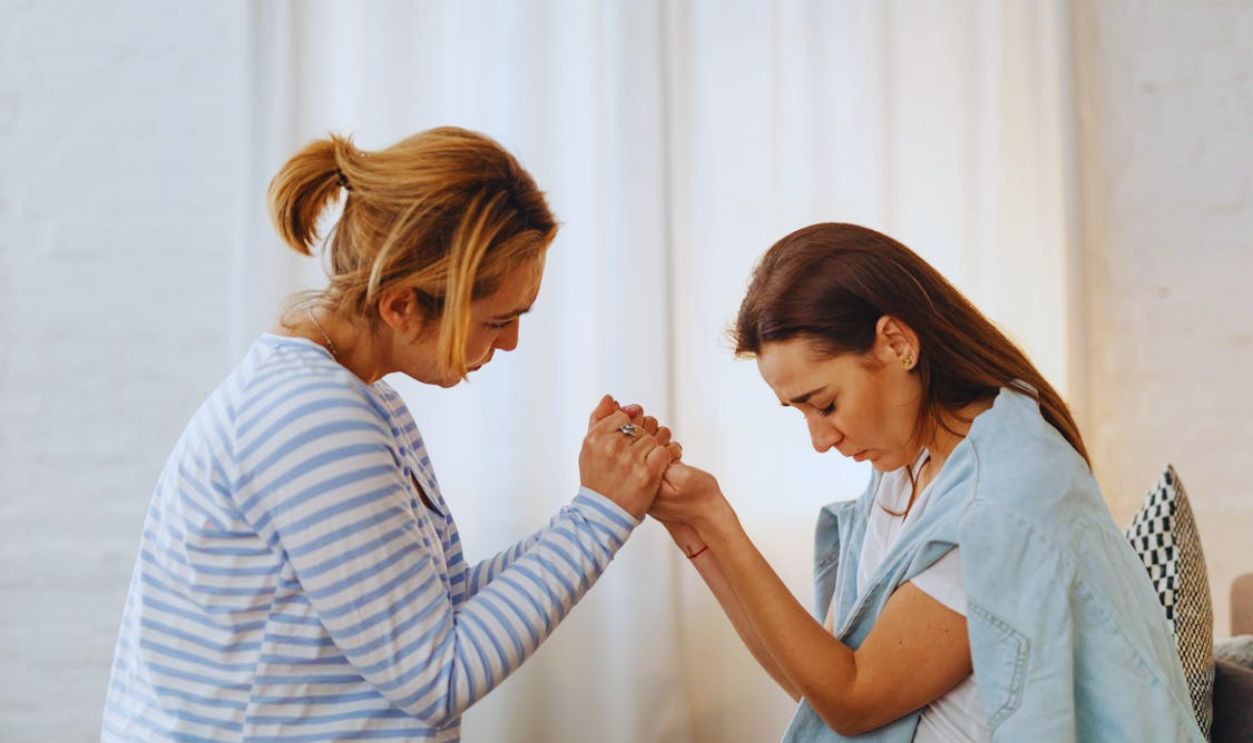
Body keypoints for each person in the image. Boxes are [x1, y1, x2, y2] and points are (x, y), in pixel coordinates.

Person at [101, 127, 681, 742]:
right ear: (402, 306)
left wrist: (602, 500)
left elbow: (441, 607)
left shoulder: (359, 400)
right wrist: (598, 514)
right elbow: (436, 677)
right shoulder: (312, 418)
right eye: (498, 320)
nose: (511, 342)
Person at [649, 223, 1203, 741]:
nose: (820, 439)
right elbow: (819, 688)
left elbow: (854, 698)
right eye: (801, 412)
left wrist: (717, 523)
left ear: (896, 343)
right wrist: (696, 531)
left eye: (826, 404)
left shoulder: (1004, 494)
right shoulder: (904, 471)